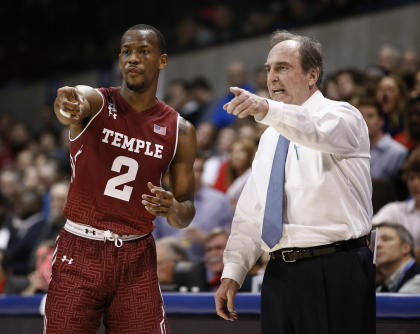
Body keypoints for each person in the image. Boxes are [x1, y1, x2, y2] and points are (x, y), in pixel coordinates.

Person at [214, 30, 375, 334]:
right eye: (268, 69)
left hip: (337, 267)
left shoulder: (342, 117)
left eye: (282, 68)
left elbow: (312, 129)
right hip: (279, 272)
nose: (272, 78)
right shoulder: (270, 136)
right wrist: (232, 272)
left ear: (312, 75)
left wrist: (266, 109)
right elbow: (253, 211)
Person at [44, 24, 196, 334]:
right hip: (81, 248)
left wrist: (172, 209)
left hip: (136, 256)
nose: (133, 59)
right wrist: (66, 105)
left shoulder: (181, 130)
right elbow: (75, 103)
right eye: (126, 52)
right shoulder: (98, 102)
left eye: (143, 52)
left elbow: (186, 211)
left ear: (162, 61)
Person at [153, 154, 233, 261]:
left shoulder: (220, 201)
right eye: (190, 170)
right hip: (170, 268)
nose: (195, 175)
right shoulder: (163, 200)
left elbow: (231, 240)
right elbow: (153, 239)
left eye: (199, 170)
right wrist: (167, 245)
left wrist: (207, 239)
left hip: (208, 266)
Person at [373, 147, 420, 260]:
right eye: (411, 178)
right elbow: (370, 233)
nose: (415, 183)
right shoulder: (395, 210)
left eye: (419, 177)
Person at [357, 96, 407, 179]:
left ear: (381, 121)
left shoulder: (397, 153)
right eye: (361, 116)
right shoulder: (353, 150)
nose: (364, 121)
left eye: (370, 116)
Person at [375, 223, 420, 293]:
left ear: (405, 248)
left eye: (386, 239)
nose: (377, 245)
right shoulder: (381, 284)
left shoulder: (417, 279)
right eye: (374, 241)